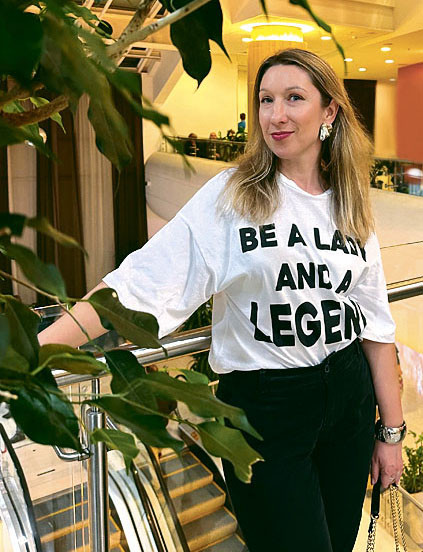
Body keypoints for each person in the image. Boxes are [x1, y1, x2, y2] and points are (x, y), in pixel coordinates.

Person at [38, 49, 405, 552]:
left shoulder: (350, 198)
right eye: (266, 100)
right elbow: (141, 282)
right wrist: (33, 352)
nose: (275, 115)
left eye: (294, 98)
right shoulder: (233, 194)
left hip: (349, 397)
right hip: (266, 408)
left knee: (339, 542)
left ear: (330, 111)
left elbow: (376, 325)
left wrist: (391, 433)